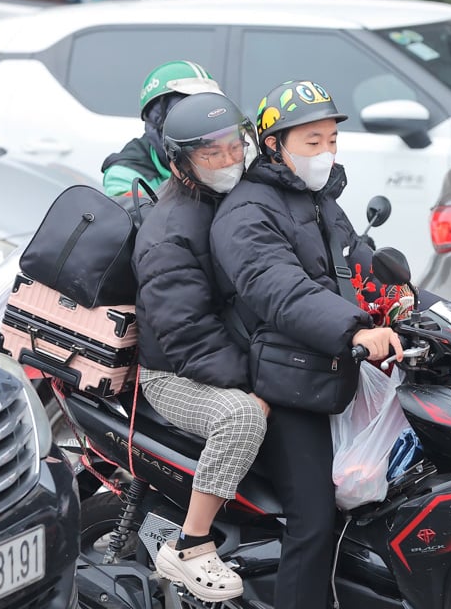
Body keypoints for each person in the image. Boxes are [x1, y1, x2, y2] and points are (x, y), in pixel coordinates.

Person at [210, 79, 403, 609]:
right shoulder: (248, 212)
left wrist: (419, 305)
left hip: (330, 365)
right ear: (274, 145)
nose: (326, 152)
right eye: (312, 142)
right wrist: (355, 329)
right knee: (315, 519)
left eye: (332, 140)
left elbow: (360, 260)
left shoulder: (317, 199)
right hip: (286, 380)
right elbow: (279, 289)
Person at [132, 91, 267, 603]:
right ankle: (190, 544)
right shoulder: (171, 232)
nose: (230, 160)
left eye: (235, 146)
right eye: (212, 154)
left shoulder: (231, 197)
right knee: (242, 417)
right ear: (181, 161)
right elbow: (188, 335)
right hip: (175, 374)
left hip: (226, 351)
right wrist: (256, 382)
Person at [101, 60, 222, 197]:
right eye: (189, 115)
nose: (203, 126)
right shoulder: (126, 174)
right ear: (159, 121)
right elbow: (138, 215)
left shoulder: (232, 151)